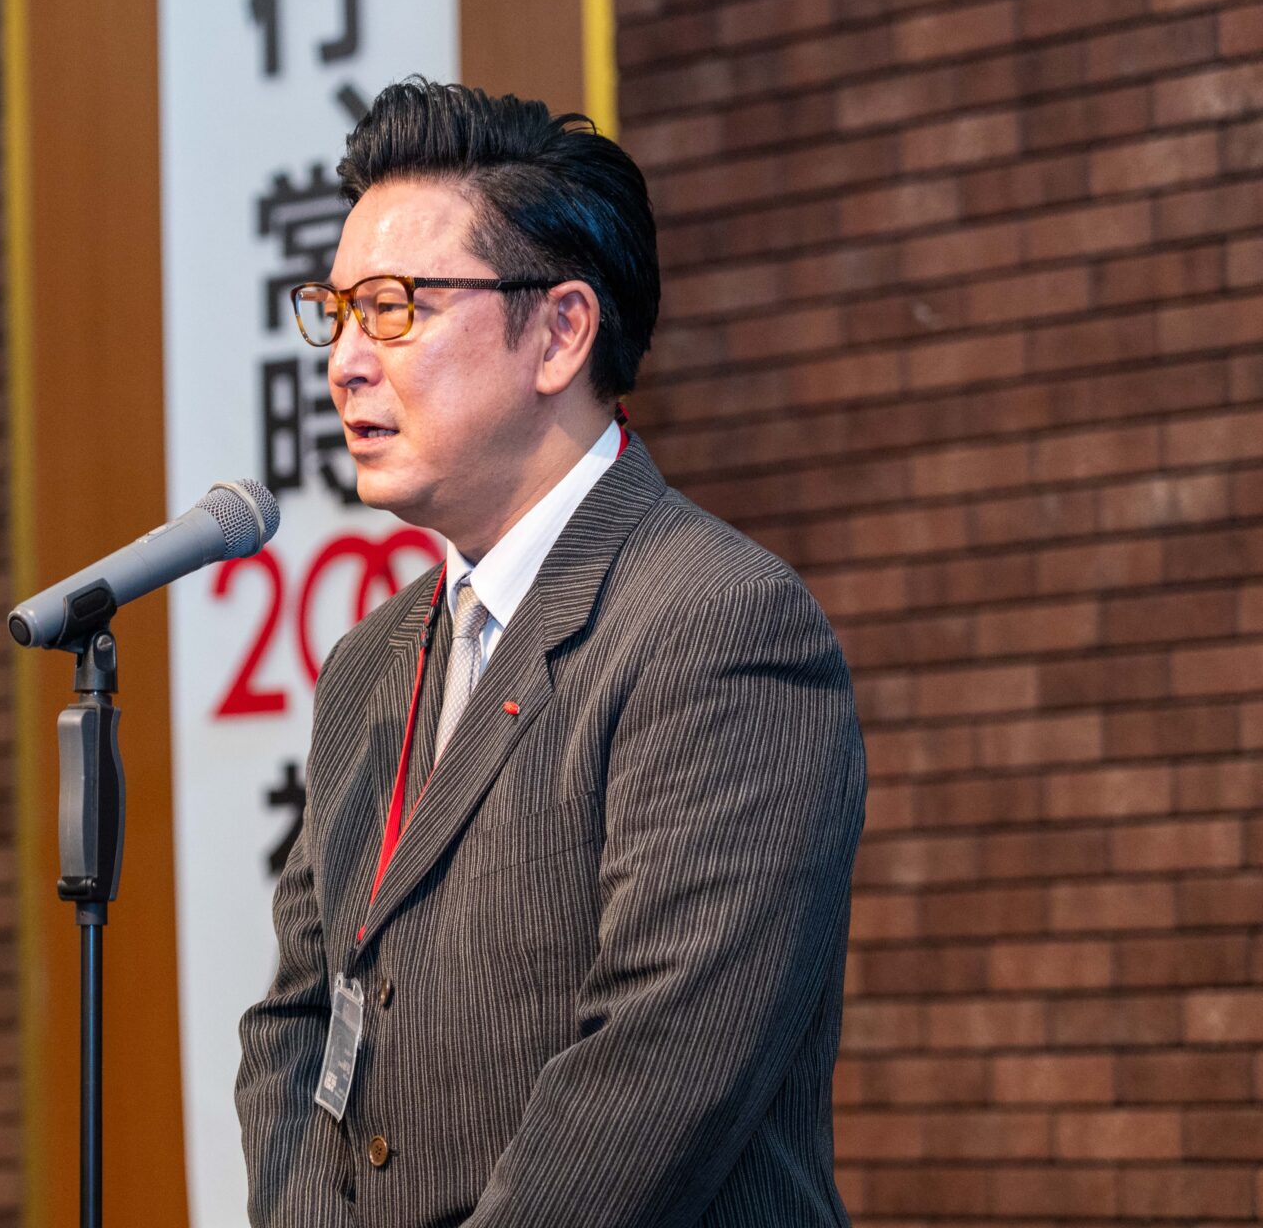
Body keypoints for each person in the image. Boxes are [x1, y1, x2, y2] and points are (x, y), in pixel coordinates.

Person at [235, 78, 867, 1227]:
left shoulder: (720, 624)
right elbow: (296, 1024)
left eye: (394, 308)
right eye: (336, 312)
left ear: (562, 331)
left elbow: (657, 1065)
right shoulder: (371, 662)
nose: (346, 362)